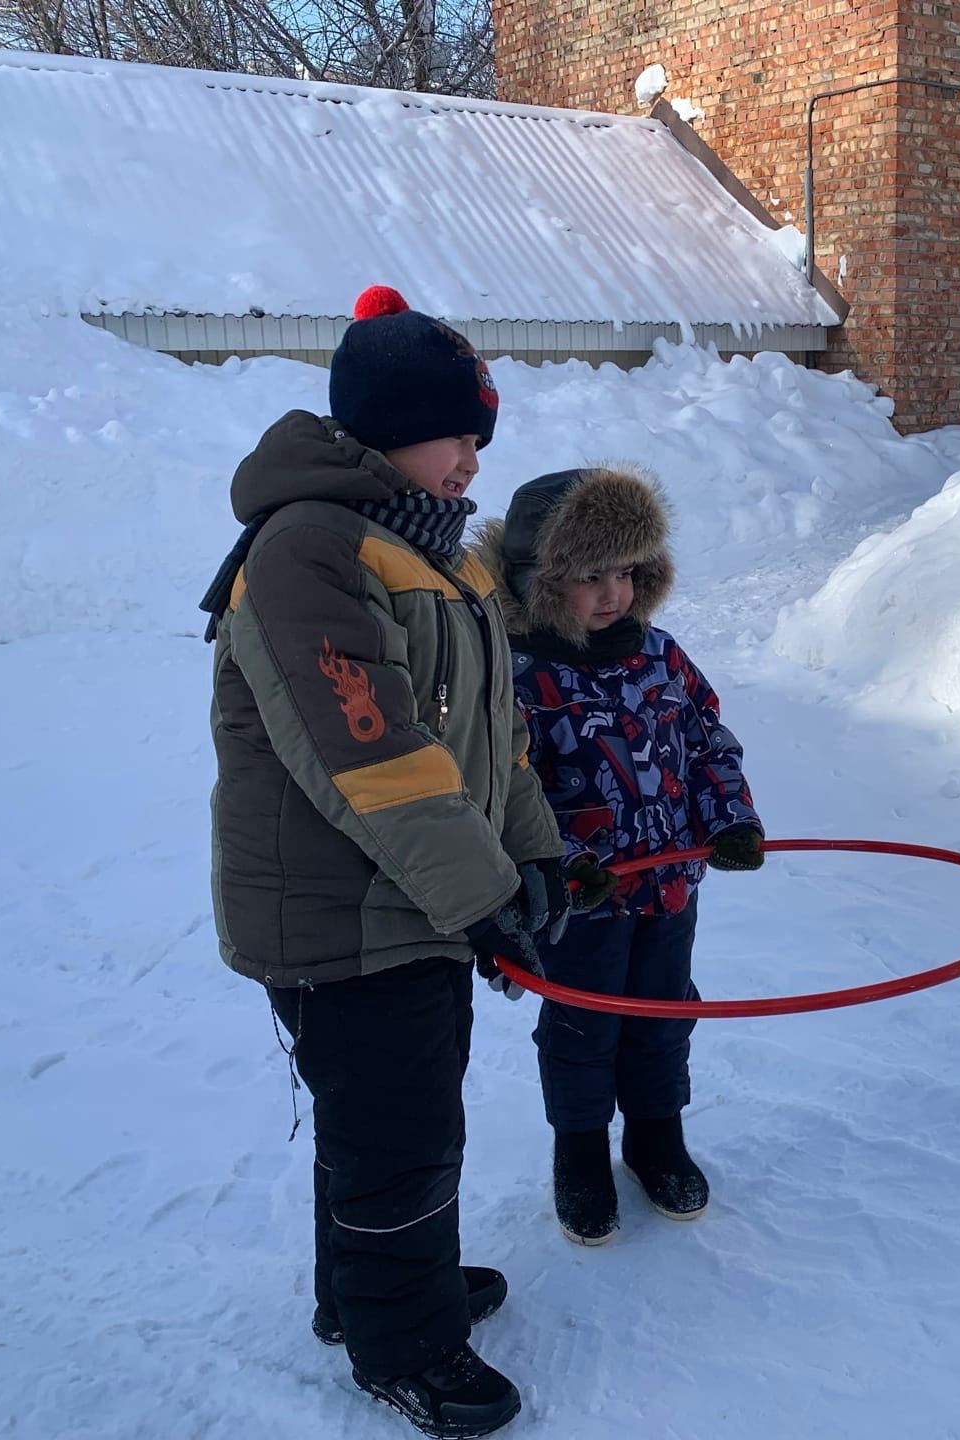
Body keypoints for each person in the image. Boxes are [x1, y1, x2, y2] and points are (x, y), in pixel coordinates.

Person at [202, 285, 562, 1437]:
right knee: (399, 1133)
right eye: (458, 433)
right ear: (391, 427)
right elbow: (375, 758)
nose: (472, 459)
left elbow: (490, 736)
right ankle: (403, 1341)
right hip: (341, 913)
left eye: (478, 438)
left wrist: (535, 857)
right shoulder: (309, 551)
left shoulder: (435, 557)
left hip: (414, 899)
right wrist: (488, 899)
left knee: (396, 1120)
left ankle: (364, 1293)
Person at [475, 465, 762, 1245]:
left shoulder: (662, 657)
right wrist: (562, 864)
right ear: (540, 582)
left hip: (668, 882)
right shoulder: (521, 673)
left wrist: (730, 817)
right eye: (588, 576)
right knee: (583, 1026)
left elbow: (706, 741)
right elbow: (507, 785)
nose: (612, 593)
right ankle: (580, 1153)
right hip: (585, 895)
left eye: (626, 573)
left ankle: (655, 1135)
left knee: (666, 1013)